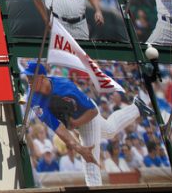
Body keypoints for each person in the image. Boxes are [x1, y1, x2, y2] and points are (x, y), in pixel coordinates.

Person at [23, 61, 154, 186]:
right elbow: (57, 127)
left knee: (89, 159)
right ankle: (137, 107)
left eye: (31, 77)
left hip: (87, 114)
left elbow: (92, 112)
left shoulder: (65, 86)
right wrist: (77, 147)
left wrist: (75, 124)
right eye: (27, 76)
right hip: (76, 122)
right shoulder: (33, 97)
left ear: (41, 77)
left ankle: (94, 189)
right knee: (109, 130)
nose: (28, 81)